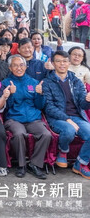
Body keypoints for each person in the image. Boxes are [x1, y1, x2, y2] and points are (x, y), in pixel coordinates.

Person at [0, 55, 50, 179]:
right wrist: (10, 95)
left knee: (46, 134)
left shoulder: (33, 82)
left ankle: (35, 165)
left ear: (26, 66)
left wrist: (40, 94)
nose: (19, 68)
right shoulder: (5, 83)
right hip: (14, 119)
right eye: (15, 65)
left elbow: (39, 105)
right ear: (10, 68)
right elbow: (5, 108)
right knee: (18, 134)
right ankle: (21, 165)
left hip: (34, 119)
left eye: (21, 65)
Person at [43, 50, 90, 179]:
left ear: (69, 63)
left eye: (64, 61)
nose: (62, 64)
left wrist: (87, 100)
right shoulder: (47, 82)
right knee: (69, 130)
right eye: (58, 61)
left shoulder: (76, 81)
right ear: (53, 63)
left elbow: (82, 104)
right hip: (57, 118)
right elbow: (49, 107)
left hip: (77, 116)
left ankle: (80, 163)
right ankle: (63, 150)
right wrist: (68, 119)